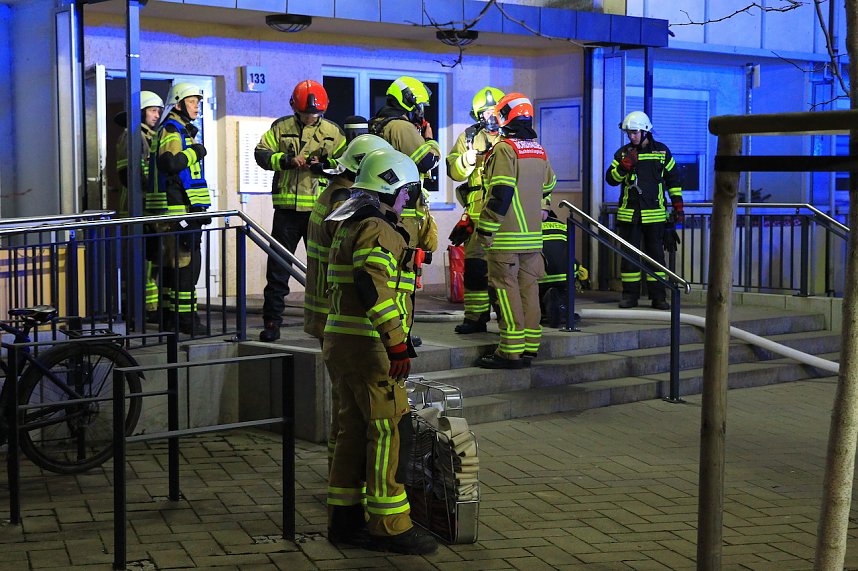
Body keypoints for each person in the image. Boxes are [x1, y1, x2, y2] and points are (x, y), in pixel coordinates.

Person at [322, 147, 437, 555]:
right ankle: (389, 525)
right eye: (409, 192)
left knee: (352, 430)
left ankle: (344, 518)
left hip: (343, 343)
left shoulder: (350, 222)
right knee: (389, 431)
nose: (411, 200)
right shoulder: (378, 228)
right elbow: (372, 284)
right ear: (395, 190)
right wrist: (397, 342)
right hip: (371, 348)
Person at [304, 133, 392, 467]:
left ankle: (340, 476)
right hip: (338, 314)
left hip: (326, 311)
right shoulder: (345, 202)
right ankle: (342, 474)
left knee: (344, 401)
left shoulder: (332, 193)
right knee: (348, 405)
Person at [255, 79, 346, 342]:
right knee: (278, 269)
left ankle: (328, 324)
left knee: (324, 270)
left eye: (314, 115)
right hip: (287, 212)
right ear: (295, 108)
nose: (310, 118)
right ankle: (272, 323)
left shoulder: (333, 131)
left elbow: (345, 165)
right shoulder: (280, 127)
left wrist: (323, 165)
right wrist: (285, 160)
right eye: (306, 114)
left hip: (319, 213)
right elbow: (261, 154)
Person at [475, 93, 556, 369]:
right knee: (528, 290)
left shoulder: (504, 149)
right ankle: (530, 346)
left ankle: (510, 352)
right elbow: (549, 185)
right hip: (532, 237)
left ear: (506, 117)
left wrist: (485, 229)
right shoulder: (538, 150)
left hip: (506, 236)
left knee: (505, 291)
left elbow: (500, 192)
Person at [370, 76, 440, 347]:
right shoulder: (401, 126)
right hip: (405, 212)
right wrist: (430, 141)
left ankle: (389, 330)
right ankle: (403, 333)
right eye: (419, 105)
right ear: (409, 102)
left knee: (385, 272)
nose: (420, 111)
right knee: (405, 274)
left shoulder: (378, 124)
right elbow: (427, 160)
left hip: (384, 208)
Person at [146, 82, 211, 334]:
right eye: (192, 101)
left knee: (172, 266)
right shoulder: (173, 130)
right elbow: (170, 163)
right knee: (186, 267)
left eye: (198, 102)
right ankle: (186, 321)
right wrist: (196, 152)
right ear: (178, 104)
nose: (196, 106)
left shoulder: (175, 128)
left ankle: (169, 318)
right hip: (178, 212)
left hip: (177, 211)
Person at [605, 111, 682, 310]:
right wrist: (624, 166)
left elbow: (673, 181)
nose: (632, 136)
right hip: (629, 215)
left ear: (645, 131)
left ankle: (658, 298)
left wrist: (678, 206)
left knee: (656, 259)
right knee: (629, 258)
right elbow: (611, 179)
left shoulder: (662, 152)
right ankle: (630, 296)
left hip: (655, 215)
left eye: (635, 132)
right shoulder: (623, 153)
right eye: (629, 133)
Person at [446, 86, 505, 334]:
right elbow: (453, 171)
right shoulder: (469, 137)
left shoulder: (513, 136)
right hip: (477, 216)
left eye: (495, 111)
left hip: (505, 217)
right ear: (478, 116)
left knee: (503, 270)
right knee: (475, 269)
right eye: (486, 113)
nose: (491, 117)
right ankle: (475, 318)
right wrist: (467, 160)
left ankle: (506, 318)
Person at [115, 90, 163, 318]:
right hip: (136, 208)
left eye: (158, 111)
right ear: (141, 112)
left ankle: (150, 306)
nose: (156, 115)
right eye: (152, 111)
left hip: (149, 208)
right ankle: (140, 308)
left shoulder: (151, 136)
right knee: (141, 260)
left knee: (152, 258)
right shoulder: (132, 136)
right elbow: (127, 174)